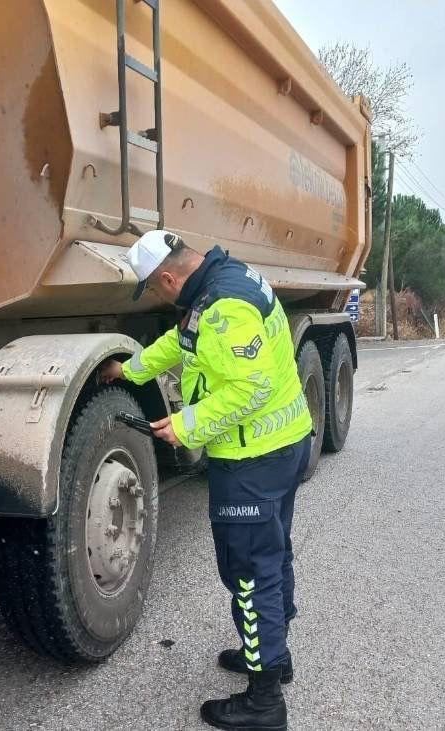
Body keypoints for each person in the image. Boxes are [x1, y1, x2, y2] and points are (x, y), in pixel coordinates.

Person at [100, 229, 314, 731]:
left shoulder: (226, 307)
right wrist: (130, 370)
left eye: (154, 288)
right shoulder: (220, 283)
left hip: (253, 458)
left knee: (248, 570)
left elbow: (252, 386)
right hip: (277, 446)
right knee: (271, 555)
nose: (157, 295)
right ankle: (274, 658)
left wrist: (185, 426)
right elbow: (183, 342)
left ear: (170, 276)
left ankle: (264, 703)